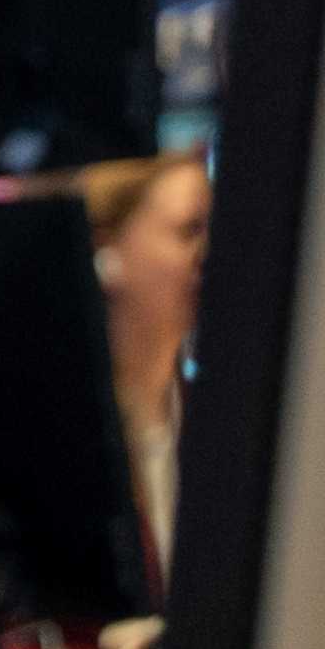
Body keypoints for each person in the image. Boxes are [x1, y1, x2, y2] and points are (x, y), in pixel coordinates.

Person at [78, 151, 210, 602]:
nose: (211, 253)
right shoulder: (67, 434)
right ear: (106, 252)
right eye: (189, 230)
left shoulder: (218, 414)